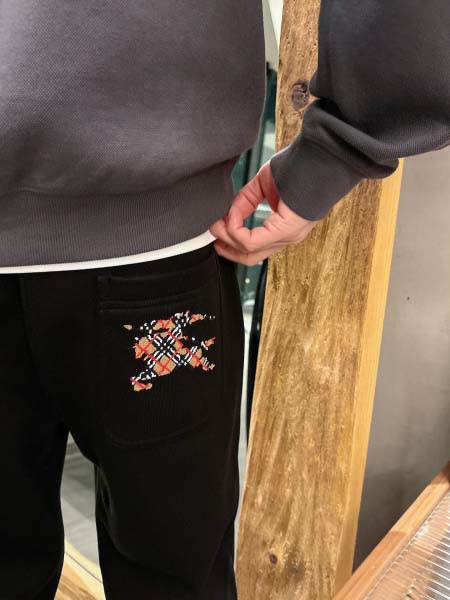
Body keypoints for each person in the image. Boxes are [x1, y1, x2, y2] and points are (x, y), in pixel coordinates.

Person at [0, 1, 448, 598]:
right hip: (151, 239)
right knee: (173, 571)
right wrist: (336, 151)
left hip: (151, 247)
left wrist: (336, 151)